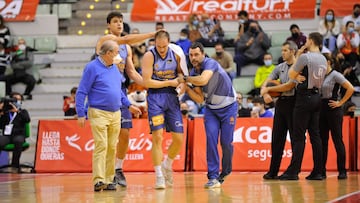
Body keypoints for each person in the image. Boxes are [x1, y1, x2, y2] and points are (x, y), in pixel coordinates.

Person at [178, 42, 238, 189]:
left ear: (203, 54)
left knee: (226, 143)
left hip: (229, 107)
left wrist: (185, 80)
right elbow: (199, 99)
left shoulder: (210, 63)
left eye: (196, 54)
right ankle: (212, 176)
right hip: (211, 110)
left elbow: (204, 80)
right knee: (211, 141)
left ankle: (226, 170)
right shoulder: (193, 73)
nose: (193, 58)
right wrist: (186, 89)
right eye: (191, 55)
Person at [76, 40, 132, 192]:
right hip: (98, 112)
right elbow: (82, 91)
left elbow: (118, 91)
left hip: (116, 113)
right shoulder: (92, 67)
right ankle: (98, 180)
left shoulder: (115, 68)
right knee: (102, 145)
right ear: (108, 53)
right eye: (116, 52)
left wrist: (129, 104)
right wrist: (80, 112)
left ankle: (108, 179)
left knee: (112, 147)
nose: (118, 56)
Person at [102, 11, 144, 188]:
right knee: (109, 136)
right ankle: (107, 173)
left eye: (121, 21)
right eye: (115, 21)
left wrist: (149, 83)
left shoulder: (126, 47)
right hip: (105, 92)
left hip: (121, 91)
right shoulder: (104, 44)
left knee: (125, 133)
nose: (119, 24)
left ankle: (118, 168)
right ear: (108, 25)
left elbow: (132, 72)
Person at [279, 32, 327, 180]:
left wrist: (299, 54)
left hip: (304, 97)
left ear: (311, 41)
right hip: (317, 96)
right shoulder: (324, 58)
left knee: (299, 136)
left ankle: (293, 171)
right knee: (315, 136)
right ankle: (319, 171)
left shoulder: (306, 57)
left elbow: (291, 74)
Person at [141, 30, 185, 189]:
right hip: (155, 98)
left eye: (164, 46)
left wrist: (180, 85)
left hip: (172, 98)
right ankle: (159, 175)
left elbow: (181, 76)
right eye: (159, 46)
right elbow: (147, 82)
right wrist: (170, 83)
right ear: (154, 43)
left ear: (169, 43)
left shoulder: (177, 53)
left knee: (179, 138)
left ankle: (168, 164)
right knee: (158, 137)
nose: (161, 49)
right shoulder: (149, 56)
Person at [260, 41, 299, 180]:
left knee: (295, 139)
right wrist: (265, 93)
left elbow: (288, 87)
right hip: (281, 104)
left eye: (285, 50)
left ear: (293, 51)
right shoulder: (280, 67)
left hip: (295, 103)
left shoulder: (298, 66)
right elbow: (266, 82)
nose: (282, 53)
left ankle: (293, 171)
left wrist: (269, 89)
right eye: (282, 50)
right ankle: (273, 171)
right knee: (277, 139)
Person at [320, 54, 354, 180]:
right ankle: (321, 171)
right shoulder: (318, 75)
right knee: (322, 142)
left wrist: (340, 102)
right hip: (321, 109)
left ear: (328, 62)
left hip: (333, 109)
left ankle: (342, 170)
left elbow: (350, 88)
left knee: (337, 140)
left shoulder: (335, 75)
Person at [0, 92, 30, 173]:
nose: (17, 101)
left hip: (18, 135)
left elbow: (27, 119)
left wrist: (17, 111)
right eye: (15, 99)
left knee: (18, 141)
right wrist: (1, 111)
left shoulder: (23, 112)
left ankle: (15, 166)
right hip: (7, 136)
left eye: (19, 100)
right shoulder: (5, 112)